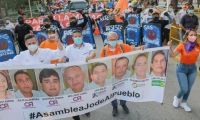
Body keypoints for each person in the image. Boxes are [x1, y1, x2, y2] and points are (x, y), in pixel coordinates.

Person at [169, 30, 200, 112]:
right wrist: (170, 47)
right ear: (187, 36)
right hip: (182, 69)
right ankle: (177, 97)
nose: (193, 36)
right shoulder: (182, 45)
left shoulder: (198, 45)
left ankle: (184, 102)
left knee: (189, 88)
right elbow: (172, 55)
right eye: (191, 35)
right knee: (184, 88)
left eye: (195, 35)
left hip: (193, 69)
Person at [0, 34, 65, 66]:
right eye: (29, 44)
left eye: (33, 43)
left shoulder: (46, 52)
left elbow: (60, 53)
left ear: (37, 42)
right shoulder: (22, 55)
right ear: (26, 44)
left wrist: (58, 41)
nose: (32, 45)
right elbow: (9, 63)